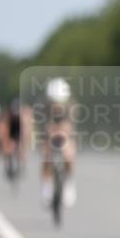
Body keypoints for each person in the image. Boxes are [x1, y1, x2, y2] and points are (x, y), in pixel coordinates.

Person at [40, 78, 77, 207]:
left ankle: (68, 185)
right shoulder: (45, 106)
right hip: (49, 132)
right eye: (54, 102)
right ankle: (46, 188)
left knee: (69, 155)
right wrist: (50, 133)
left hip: (64, 132)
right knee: (46, 156)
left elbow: (70, 126)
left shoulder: (71, 105)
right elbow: (43, 125)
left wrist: (63, 133)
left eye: (59, 102)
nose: (57, 105)